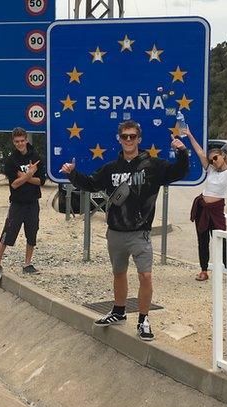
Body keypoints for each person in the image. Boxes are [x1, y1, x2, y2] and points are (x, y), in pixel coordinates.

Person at [59, 120, 189, 342]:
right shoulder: (111, 168)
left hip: (140, 233)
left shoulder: (154, 166)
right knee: (119, 274)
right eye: (124, 136)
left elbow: (179, 172)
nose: (128, 140)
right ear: (119, 139)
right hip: (116, 232)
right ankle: (118, 312)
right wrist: (72, 174)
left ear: (139, 139)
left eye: (132, 136)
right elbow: (91, 184)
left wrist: (182, 152)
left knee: (145, 275)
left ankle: (143, 320)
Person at [188, 117, 227, 282]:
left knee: (222, 241)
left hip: (217, 210)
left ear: (222, 156)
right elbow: (200, 153)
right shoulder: (210, 170)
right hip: (202, 208)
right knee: (202, 241)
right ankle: (204, 270)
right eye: (211, 160)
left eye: (215, 158)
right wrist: (189, 134)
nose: (213, 161)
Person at [0, 127, 46, 285]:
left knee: (32, 232)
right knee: (8, 232)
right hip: (17, 203)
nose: (20, 144)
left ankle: (27, 263)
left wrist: (26, 177)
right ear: (13, 142)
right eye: (17, 142)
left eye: (22, 141)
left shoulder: (35, 157)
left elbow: (40, 181)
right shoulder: (11, 160)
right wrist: (30, 175)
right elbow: (14, 184)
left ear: (26, 140)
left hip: (32, 202)